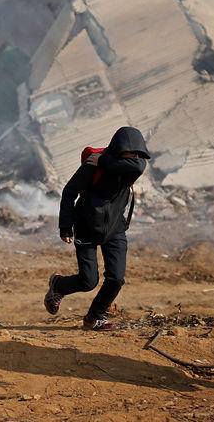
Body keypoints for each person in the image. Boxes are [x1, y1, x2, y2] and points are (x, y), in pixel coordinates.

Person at [43, 127, 150, 331]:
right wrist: (65, 227)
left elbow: (139, 165)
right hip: (86, 227)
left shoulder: (128, 167)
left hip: (115, 229)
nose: (136, 157)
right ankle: (58, 285)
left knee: (116, 279)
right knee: (88, 281)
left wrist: (104, 161)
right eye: (132, 152)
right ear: (119, 149)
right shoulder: (92, 167)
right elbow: (69, 192)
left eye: (138, 153)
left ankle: (94, 317)